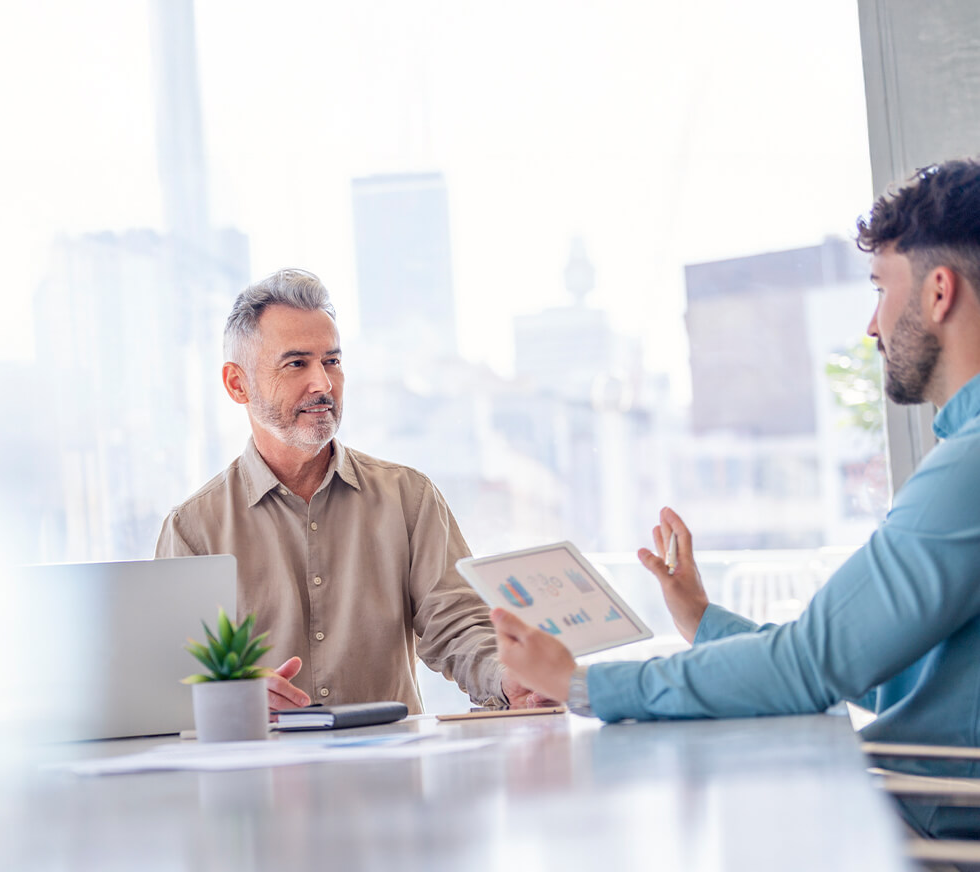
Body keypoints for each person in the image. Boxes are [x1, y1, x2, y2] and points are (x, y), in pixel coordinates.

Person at [489, 158, 980, 837]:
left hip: (921, 838)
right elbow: (868, 666)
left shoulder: (967, 472)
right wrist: (703, 620)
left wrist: (583, 685)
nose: (871, 325)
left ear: (938, 293)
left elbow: (812, 667)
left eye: (879, 289)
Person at [156, 268, 548, 713]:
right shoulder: (192, 528)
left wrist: (506, 677)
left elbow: (458, 624)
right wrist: (231, 695)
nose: (323, 384)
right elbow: (171, 677)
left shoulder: (408, 497)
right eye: (296, 363)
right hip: (263, 776)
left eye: (332, 361)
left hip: (393, 773)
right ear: (236, 383)